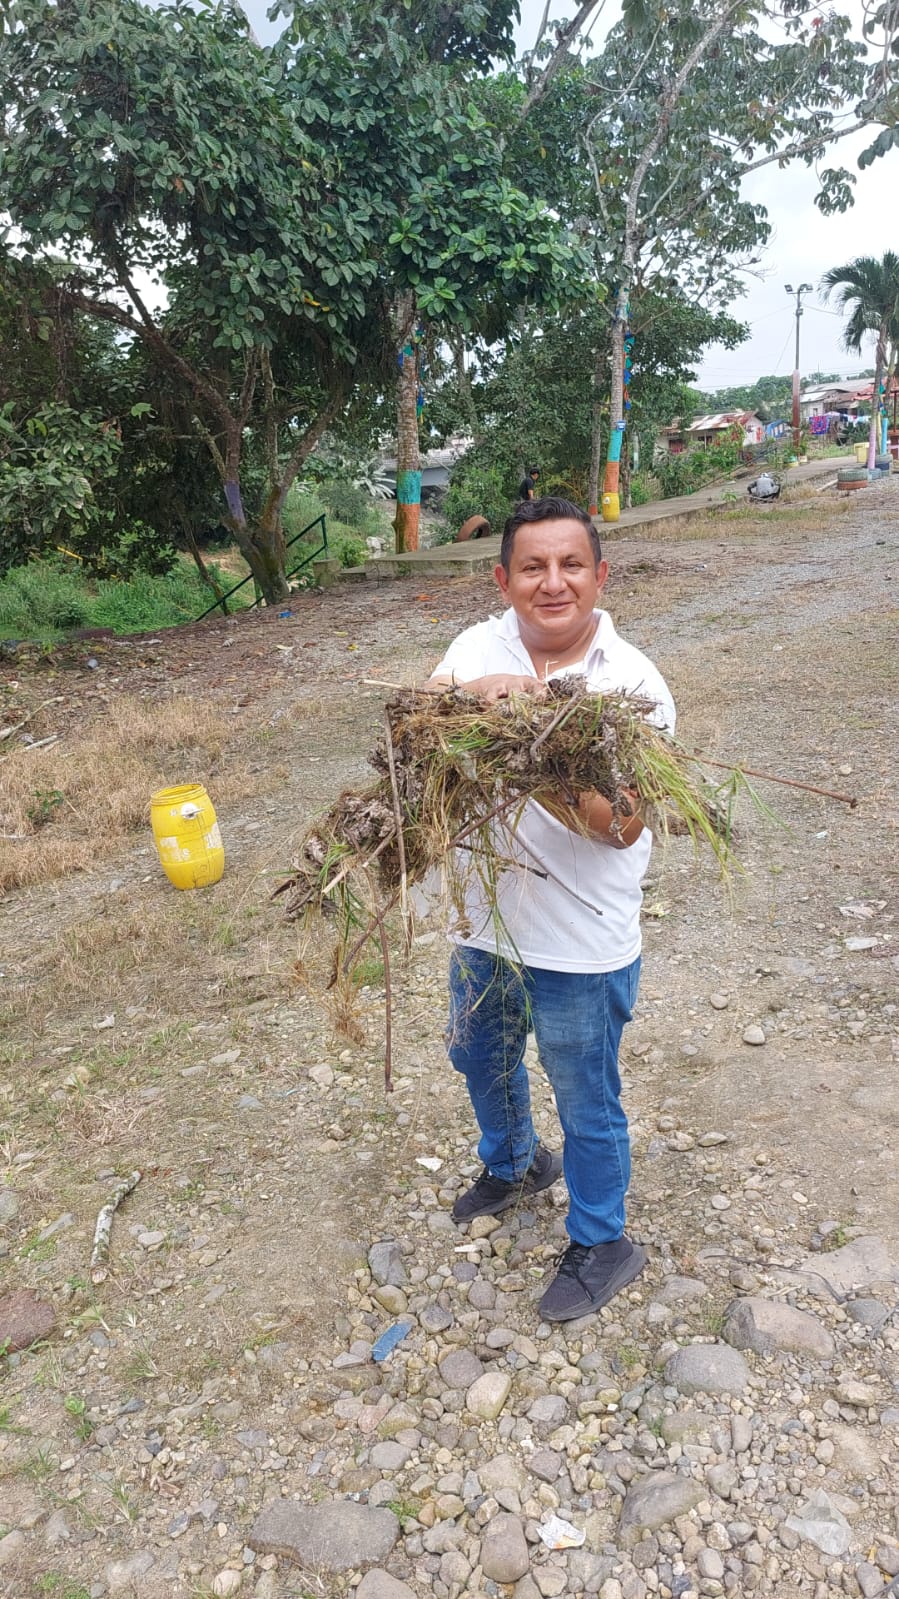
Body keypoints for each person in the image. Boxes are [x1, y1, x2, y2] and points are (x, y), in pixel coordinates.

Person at [426, 495, 675, 1323]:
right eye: (532, 566)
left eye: (570, 564)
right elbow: (422, 717)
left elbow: (622, 823)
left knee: (585, 1097)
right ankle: (514, 1164)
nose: (552, 581)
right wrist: (470, 697)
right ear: (503, 580)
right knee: (479, 1058)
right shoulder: (476, 646)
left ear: (599, 575)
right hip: (485, 927)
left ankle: (603, 1238)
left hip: (580, 942)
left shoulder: (632, 681)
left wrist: (530, 740)